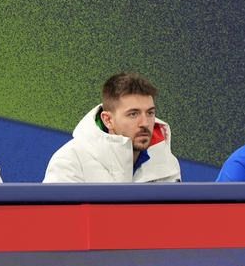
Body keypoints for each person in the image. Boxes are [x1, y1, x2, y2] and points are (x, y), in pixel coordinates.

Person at [44, 72, 180, 183]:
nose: (145, 123)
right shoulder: (70, 161)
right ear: (108, 120)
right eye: (133, 114)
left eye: (150, 113)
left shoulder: (166, 161)